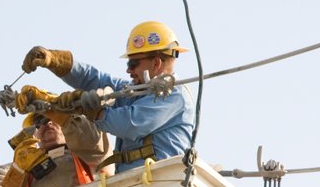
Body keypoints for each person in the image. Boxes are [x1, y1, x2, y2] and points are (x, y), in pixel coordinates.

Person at [19, 20, 197, 173]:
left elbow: (130, 124)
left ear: (157, 63)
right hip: (134, 183)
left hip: (161, 181)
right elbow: (94, 79)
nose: (128, 69)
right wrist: (55, 61)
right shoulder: (134, 91)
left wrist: (92, 111)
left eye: (133, 63)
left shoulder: (174, 94)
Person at [0, 112, 109, 187]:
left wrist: (64, 113)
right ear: (34, 134)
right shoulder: (27, 168)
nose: (47, 123)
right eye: (38, 122)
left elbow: (94, 139)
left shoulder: (86, 152)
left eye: (51, 117)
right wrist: (18, 170)